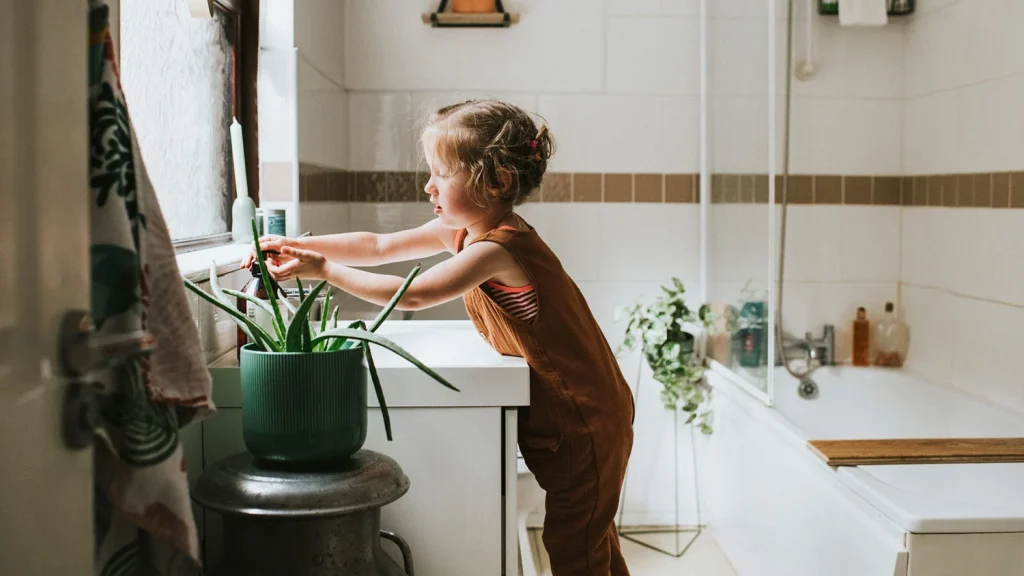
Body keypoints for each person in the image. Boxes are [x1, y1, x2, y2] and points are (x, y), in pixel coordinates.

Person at [243, 100, 635, 575]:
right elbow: (378, 245)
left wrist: (324, 271)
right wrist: (301, 247)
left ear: (498, 182)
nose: (427, 185)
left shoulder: (498, 248)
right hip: (577, 417)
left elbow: (413, 295)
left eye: (441, 174)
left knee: (577, 550)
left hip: (586, 421)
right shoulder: (465, 230)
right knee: (594, 542)